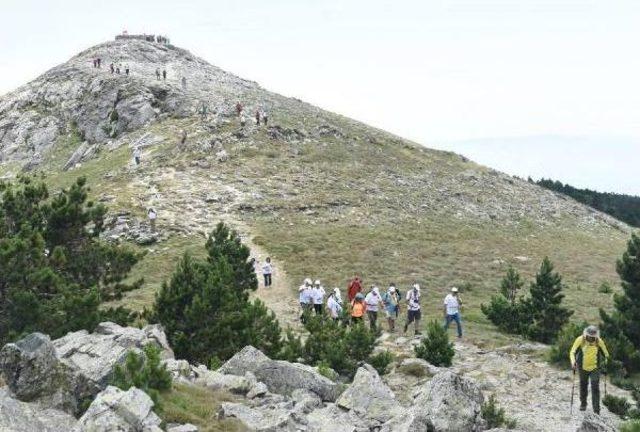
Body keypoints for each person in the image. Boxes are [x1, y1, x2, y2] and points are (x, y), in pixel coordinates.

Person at [570, 325, 610, 414]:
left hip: (595, 368)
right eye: (589, 336)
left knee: (595, 386)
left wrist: (605, 362)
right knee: (583, 385)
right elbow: (572, 352)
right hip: (582, 367)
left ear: (596, 336)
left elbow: (606, 354)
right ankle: (583, 404)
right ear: (586, 334)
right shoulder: (580, 340)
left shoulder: (599, 341)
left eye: (593, 337)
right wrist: (573, 362)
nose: (591, 338)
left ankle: (596, 410)